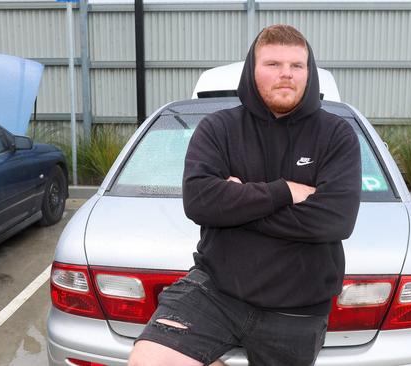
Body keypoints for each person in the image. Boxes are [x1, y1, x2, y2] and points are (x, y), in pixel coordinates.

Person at [128, 24, 361, 366]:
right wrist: (283, 191)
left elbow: (335, 220)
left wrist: (236, 206)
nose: (286, 74)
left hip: (298, 307)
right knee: (150, 359)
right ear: (252, 70)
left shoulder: (336, 135)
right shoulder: (218, 129)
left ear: (308, 74)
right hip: (216, 291)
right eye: (273, 64)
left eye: (297, 66)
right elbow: (199, 200)